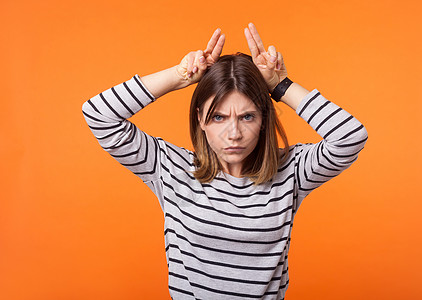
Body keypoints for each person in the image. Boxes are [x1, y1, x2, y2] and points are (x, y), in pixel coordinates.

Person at [82, 23, 368, 300]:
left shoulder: (290, 172)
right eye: (219, 117)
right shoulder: (171, 168)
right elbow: (98, 114)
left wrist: (280, 85)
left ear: (263, 120)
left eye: (247, 116)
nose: (234, 134)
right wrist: (179, 76)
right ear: (200, 120)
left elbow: (350, 137)